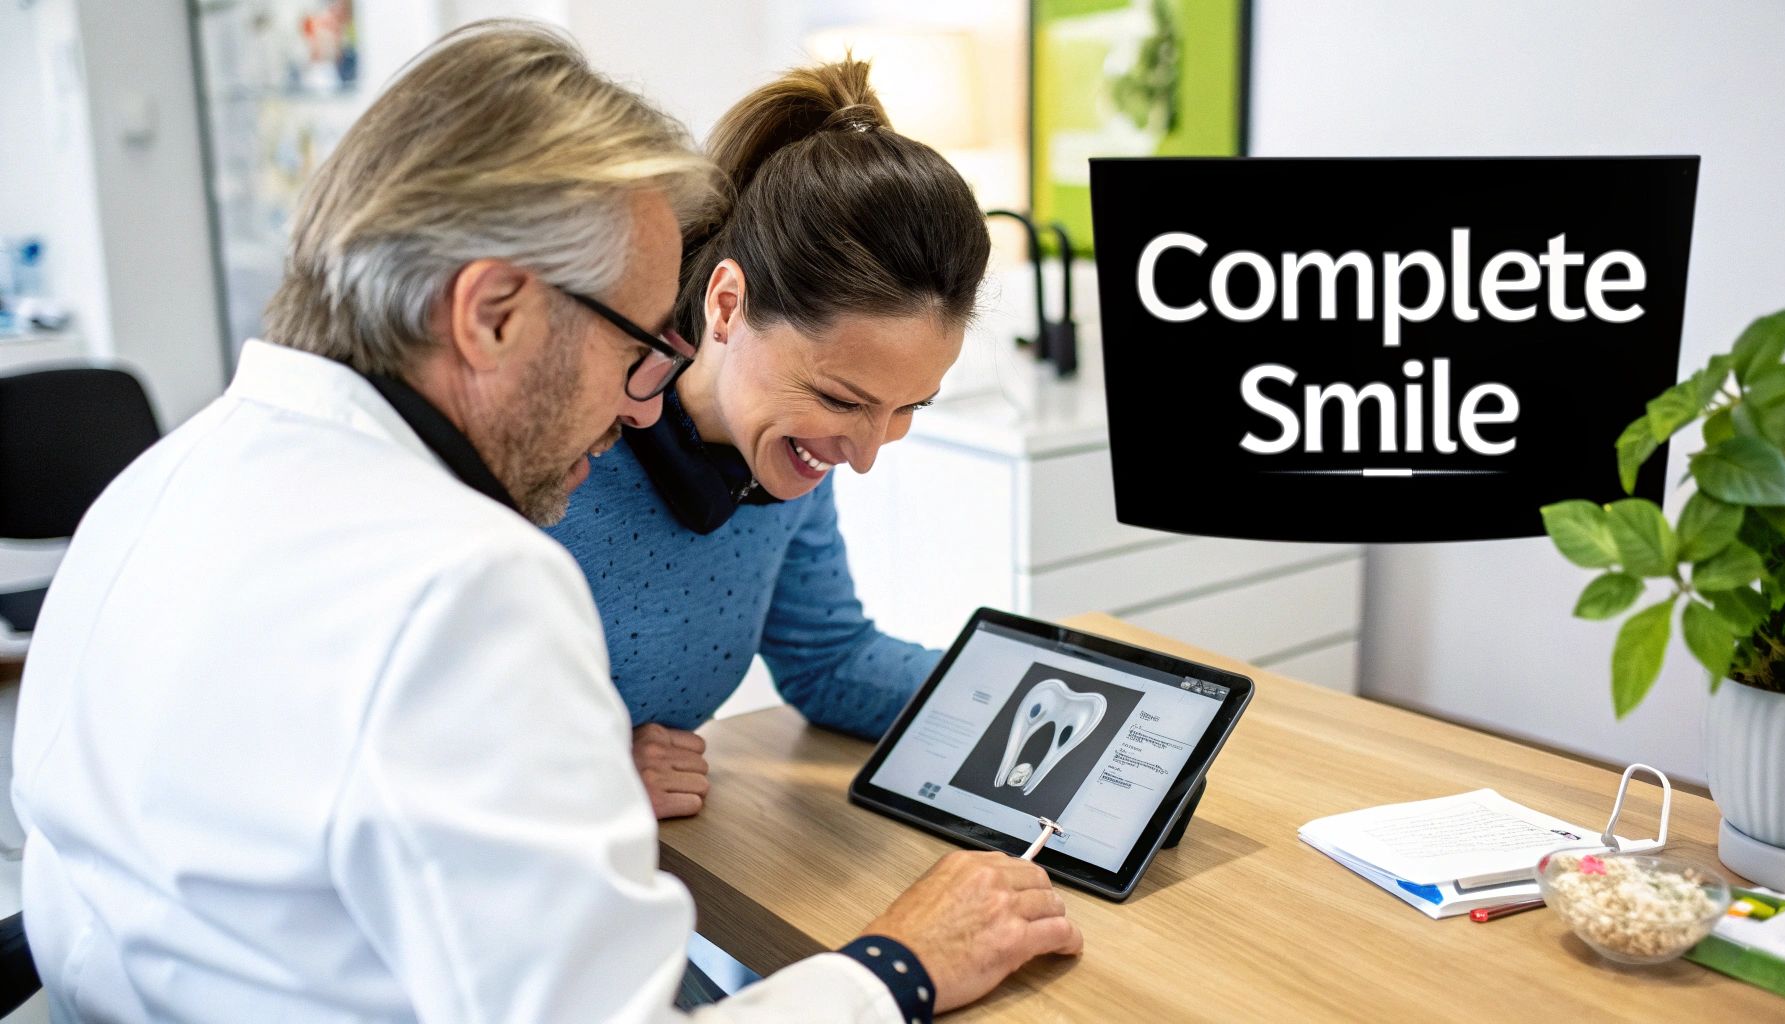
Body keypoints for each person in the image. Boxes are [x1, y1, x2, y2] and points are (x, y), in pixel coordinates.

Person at [9, 22, 1080, 1023]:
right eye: (630, 344)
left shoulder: (168, 476)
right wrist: (896, 965)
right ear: (492, 314)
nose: (638, 401)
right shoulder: (461, 581)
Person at [546, 62, 989, 819]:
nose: (866, 453)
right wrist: (580, 778)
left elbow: (828, 658)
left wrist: (1005, 697)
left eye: (909, 405)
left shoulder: (780, 461)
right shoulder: (554, 451)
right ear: (727, 303)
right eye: (839, 398)